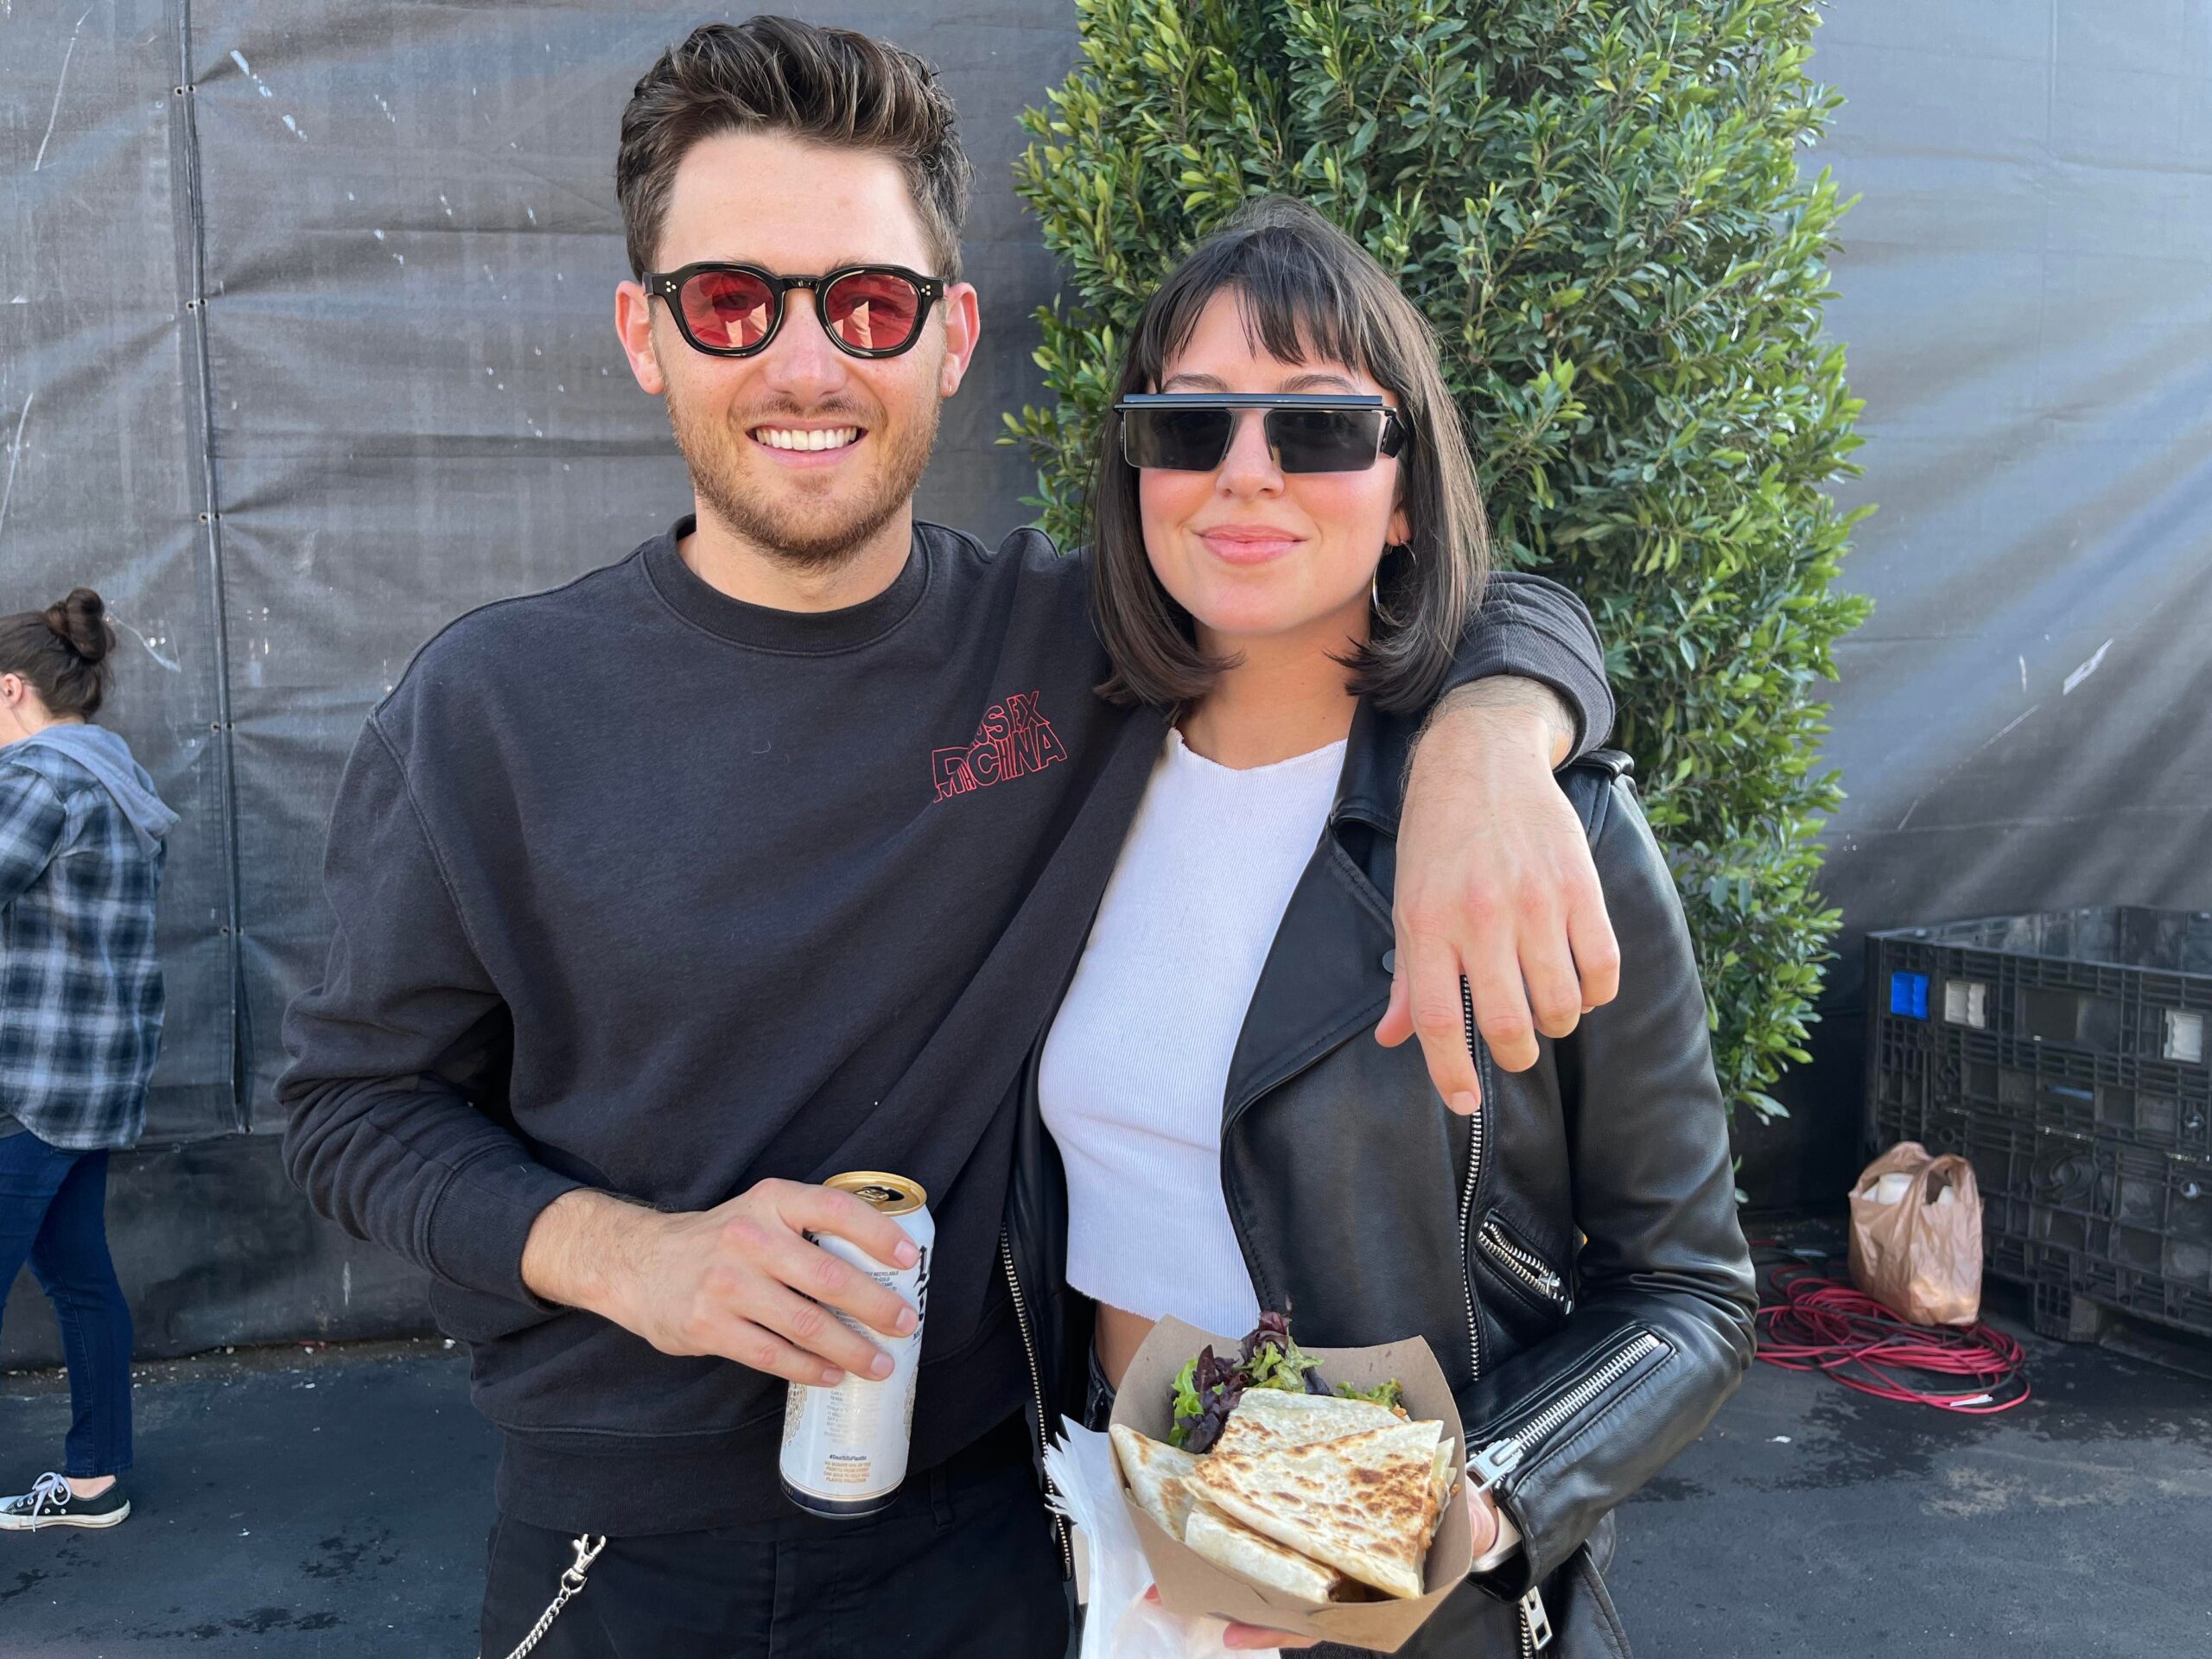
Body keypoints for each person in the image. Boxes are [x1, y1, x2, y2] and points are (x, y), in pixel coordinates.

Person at [278, 20, 1622, 1658]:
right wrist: (638, 1260)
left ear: (949, 335)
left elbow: (1397, 569)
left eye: (866, 303)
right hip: (624, 1551)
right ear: (645, 333)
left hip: (998, 1534)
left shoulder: (1077, 652)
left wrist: (1495, 731)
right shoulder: (489, 711)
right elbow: (353, 1109)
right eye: (731, 302)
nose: (805, 365)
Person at [1017, 200, 1758, 1655]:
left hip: (1396, 1590)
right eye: (1190, 424)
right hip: (1103, 1543)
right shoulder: (1061, 781)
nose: (1246, 472)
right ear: (1135, 468)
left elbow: (1687, 1294)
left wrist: (1447, 1510)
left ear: (1406, 492)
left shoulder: (1543, 828)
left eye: (1319, 428)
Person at [0, 588, 177, 1534]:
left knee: (76, 1282)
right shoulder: (116, 776)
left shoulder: (35, 780)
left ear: (10, 688)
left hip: (22, 1086)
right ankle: (94, 1483)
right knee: (79, 1281)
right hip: (89, 1082)